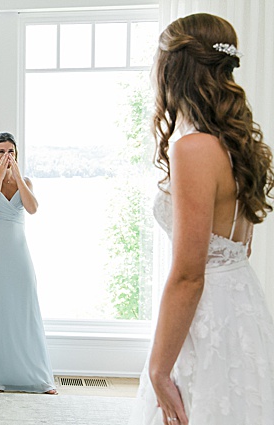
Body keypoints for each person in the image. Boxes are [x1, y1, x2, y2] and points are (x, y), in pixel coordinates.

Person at [130, 13, 274, 424]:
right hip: (243, 307)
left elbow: (190, 274)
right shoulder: (238, 143)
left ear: (173, 70)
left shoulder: (192, 149)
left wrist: (158, 368)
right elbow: (240, 245)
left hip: (207, 316)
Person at [0, 132, 54, 394]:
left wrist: (16, 176)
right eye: (2, 151)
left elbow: (32, 208)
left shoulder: (25, 180)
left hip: (17, 252)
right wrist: (0, 178)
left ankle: (35, 377)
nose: (7, 156)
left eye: (11, 152)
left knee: (24, 309)